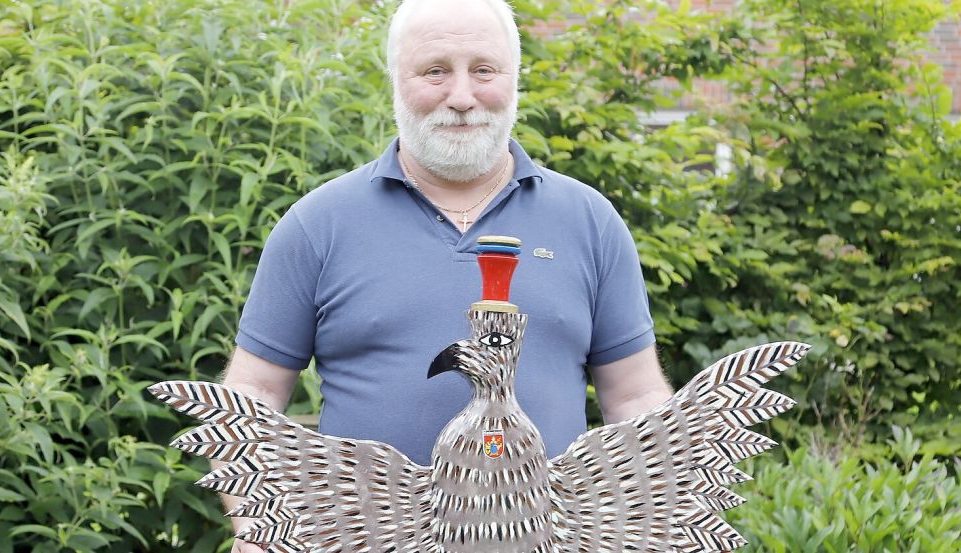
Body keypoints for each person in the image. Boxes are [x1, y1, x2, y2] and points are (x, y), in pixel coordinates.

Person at [221, 0, 672, 551]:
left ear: (514, 79)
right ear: (396, 79)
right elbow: (253, 392)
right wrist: (254, 527)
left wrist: (655, 524)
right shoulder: (319, 224)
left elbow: (635, 398)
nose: (461, 97)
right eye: (435, 71)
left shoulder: (589, 221)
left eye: (484, 70)